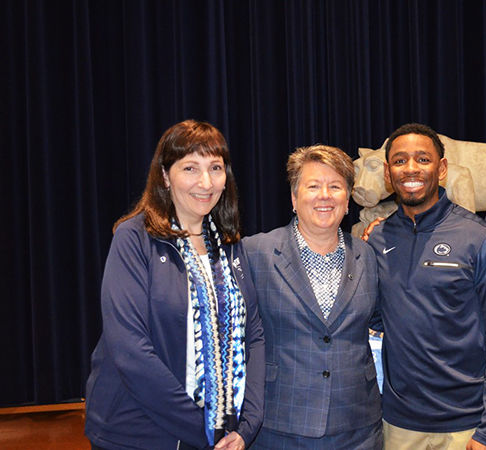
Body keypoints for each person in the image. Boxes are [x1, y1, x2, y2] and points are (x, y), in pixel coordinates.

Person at [85, 120, 265, 450]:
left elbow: (253, 335)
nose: (206, 182)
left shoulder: (229, 245)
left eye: (215, 167)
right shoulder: (134, 238)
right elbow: (130, 351)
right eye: (190, 168)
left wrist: (247, 425)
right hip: (137, 434)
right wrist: (207, 432)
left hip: (221, 435)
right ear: (166, 176)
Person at [365, 123, 486, 450]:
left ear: (441, 168)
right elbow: (375, 318)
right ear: (388, 173)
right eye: (400, 161)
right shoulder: (377, 239)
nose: (411, 168)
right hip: (399, 425)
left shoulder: (478, 237)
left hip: (467, 424)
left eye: (422, 159)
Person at [244, 145, 382, 449]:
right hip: (279, 425)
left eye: (335, 186)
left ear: (347, 201)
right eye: (313, 186)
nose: (325, 195)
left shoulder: (368, 256)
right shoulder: (255, 253)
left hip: (358, 427)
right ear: (294, 199)